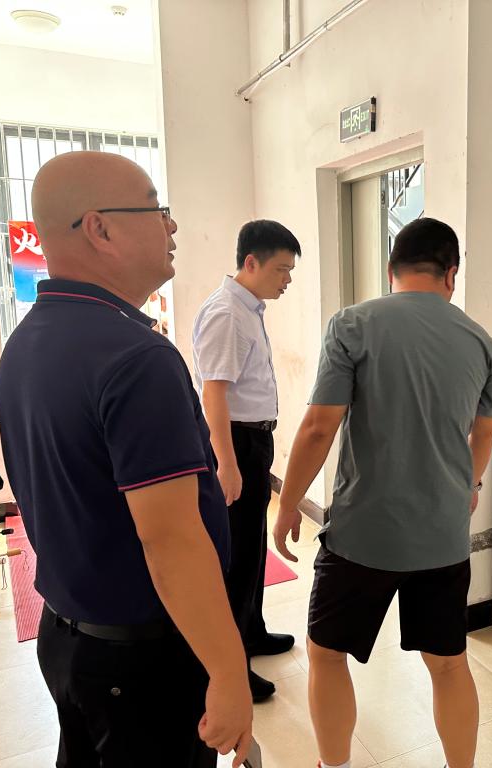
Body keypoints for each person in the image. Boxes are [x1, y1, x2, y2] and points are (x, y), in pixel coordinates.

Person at [0, 151, 253, 767]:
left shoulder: (26, 341)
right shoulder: (136, 359)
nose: (172, 225)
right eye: (156, 209)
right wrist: (228, 671)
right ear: (100, 228)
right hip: (139, 663)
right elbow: (171, 540)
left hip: (67, 638)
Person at [273, 218, 492, 768]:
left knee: (327, 654)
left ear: (390, 270)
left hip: (362, 535)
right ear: (451, 273)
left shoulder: (353, 324)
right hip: (443, 536)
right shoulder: (483, 344)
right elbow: (485, 431)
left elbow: (318, 427)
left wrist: (287, 504)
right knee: (449, 664)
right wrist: (469, 485)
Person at [192, 220, 300, 702]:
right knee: (235, 558)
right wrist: (228, 463)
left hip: (253, 439)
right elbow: (213, 393)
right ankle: (233, 666)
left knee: (253, 546)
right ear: (251, 262)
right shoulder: (227, 313)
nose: (287, 279)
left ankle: (251, 632)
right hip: (236, 442)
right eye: (281, 269)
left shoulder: (247, 307)